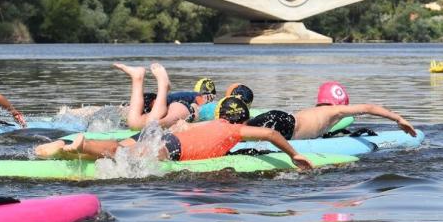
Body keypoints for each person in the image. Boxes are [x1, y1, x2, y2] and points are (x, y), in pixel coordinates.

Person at [35, 96, 314, 170]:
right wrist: (294, 154)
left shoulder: (209, 124)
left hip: (169, 138)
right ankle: (84, 146)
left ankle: (65, 144)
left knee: (121, 144)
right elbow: (270, 135)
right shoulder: (237, 130)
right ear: (242, 118)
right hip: (173, 149)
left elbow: (182, 127)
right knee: (122, 155)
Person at [247, 100, 417, 141]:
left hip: (280, 117)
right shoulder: (337, 111)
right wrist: (399, 119)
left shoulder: (313, 110)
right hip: (287, 126)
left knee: (240, 131)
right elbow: (368, 108)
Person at [117, 62, 215, 129]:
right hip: (169, 106)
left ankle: (145, 80)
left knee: (146, 123)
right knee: (135, 123)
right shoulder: (154, 108)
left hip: (180, 107)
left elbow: (199, 101)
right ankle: (138, 78)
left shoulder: (190, 98)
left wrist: (197, 106)